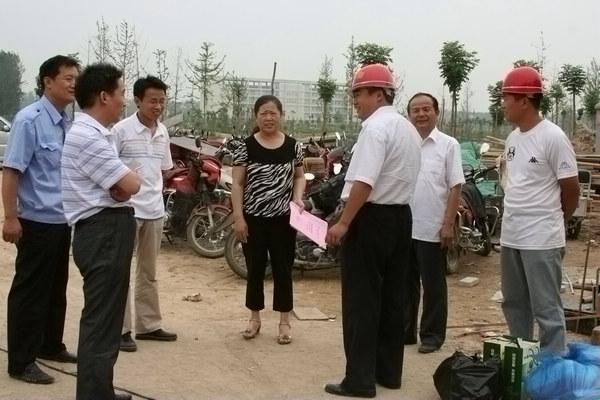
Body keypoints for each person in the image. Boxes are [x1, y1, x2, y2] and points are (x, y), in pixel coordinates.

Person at [324, 63, 421, 398]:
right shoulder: (407, 128)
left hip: (370, 218)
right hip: (401, 218)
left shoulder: (375, 129)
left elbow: (364, 182)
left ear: (379, 94)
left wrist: (344, 222)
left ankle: (360, 380)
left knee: (362, 300)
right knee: (393, 298)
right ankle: (389, 373)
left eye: (360, 93)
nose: (355, 100)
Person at [61, 63, 141, 400]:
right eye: (121, 93)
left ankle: (100, 391)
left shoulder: (96, 134)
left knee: (106, 321)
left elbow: (122, 188)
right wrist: (126, 182)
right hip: (102, 231)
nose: (124, 100)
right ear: (104, 96)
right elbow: (130, 184)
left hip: (106, 229)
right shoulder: (87, 137)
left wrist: (123, 185)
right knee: (101, 321)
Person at [2, 55, 80, 384]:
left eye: (76, 78)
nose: (74, 84)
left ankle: (50, 345)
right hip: (35, 221)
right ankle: (21, 361)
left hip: (60, 220)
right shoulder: (29, 120)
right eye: (68, 78)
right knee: (30, 292)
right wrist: (10, 218)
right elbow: (11, 172)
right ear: (47, 82)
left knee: (55, 288)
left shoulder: (65, 121)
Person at [500, 66, 579, 353]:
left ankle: (553, 367)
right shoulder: (512, 139)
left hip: (541, 239)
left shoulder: (552, 137)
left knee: (546, 308)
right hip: (511, 236)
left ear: (525, 100)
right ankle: (522, 362)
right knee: (514, 304)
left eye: (507, 97)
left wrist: (557, 219)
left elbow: (571, 188)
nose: (503, 104)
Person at [231, 95, 305, 345]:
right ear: (256, 116)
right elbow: (238, 184)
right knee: (255, 269)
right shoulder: (245, 147)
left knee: (284, 269)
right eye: (263, 113)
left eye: (273, 113)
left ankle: (284, 322)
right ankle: (254, 319)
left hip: (284, 220)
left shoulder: (293, 146)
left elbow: (299, 176)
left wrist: (298, 197)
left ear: (281, 115)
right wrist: (239, 218)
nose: (269, 117)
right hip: (253, 220)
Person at [112, 76, 176, 352]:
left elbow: (163, 170)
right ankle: (120, 329)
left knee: (148, 272)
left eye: (162, 101)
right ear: (137, 101)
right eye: (152, 101)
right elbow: (109, 169)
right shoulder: (121, 131)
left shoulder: (163, 132)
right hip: (126, 211)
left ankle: (148, 325)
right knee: (120, 271)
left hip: (154, 211)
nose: (158, 106)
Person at [404, 93, 464, 354]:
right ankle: (405, 331)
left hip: (432, 226)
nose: (421, 114)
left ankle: (432, 335)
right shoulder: (404, 143)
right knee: (404, 283)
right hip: (404, 226)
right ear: (409, 115)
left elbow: (455, 186)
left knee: (433, 285)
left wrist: (448, 224)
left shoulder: (449, 145)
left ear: (436, 113)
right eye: (415, 110)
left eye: (426, 109)